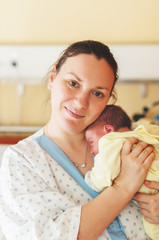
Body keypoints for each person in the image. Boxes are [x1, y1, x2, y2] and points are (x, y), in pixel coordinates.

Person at [0, 40, 158, 240]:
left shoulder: (129, 141)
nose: (81, 102)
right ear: (52, 77)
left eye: (97, 93)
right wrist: (123, 187)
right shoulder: (22, 162)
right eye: (73, 83)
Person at [85, 104, 159, 240]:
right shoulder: (141, 133)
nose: (91, 151)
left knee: (153, 231)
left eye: (91, 142)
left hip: (150, 188)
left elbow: (103, 176)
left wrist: (91, 179)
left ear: (108, 129)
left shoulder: (110, 141)